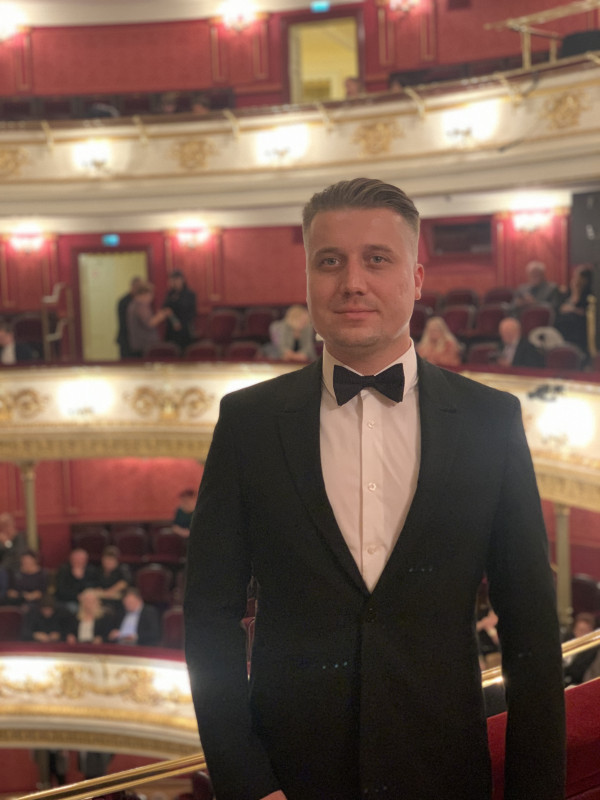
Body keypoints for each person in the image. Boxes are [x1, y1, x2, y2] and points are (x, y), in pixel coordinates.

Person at [184, 177, 565, 800]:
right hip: (290, 779)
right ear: (308, 278)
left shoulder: (491, 420)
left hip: (444, 776)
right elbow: (209, 613)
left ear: (416, 279)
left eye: (377, 259)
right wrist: (248, 784)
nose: (352, 282)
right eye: (330, 261)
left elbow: (530, 627)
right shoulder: (247, 421)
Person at [554, 265, 593, 355]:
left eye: (577, 277)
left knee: (572, 320)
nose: (575, 279)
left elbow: (584, 312)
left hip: (580, 324)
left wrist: (572, 308)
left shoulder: (589, 294)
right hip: (565, 321)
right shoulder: (569, 292)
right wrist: (574, 290)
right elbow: (562, 308)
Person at [126, 282, 171, 357]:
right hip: (145, 345)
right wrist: (161, 315)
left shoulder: (132, 305)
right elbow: (150, 323)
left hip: (138, 344)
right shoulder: (140, 306)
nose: (152, 298)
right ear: (144, 294)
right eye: (151, 294)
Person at [162, 270, 197, 352]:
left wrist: (181, 323)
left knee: (185, 350)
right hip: (171, 328)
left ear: (182, 280)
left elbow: (192, 312)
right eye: (172, 280)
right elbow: (165, 308)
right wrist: (173, 320)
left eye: (176, 280)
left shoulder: (190, 294)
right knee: (171, 351)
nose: (175, 283)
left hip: (184, 328)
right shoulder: (170, 294)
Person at [54, 548, 98, 613]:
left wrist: (81, 579)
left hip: (86, 600)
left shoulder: (91, 570)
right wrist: (76, 596)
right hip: (67, 600)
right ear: (71, 559)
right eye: (76, 559)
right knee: (74, 609)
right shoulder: (64, 570)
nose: (79, 561)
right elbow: (61, 590)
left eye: (82, 559)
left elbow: (93, 586)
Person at [116, 276, 143, 358]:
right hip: (126, 339)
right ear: (133, 286)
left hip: (136, 339)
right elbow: (124, 322)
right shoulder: (124, 301)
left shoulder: (138, 300)